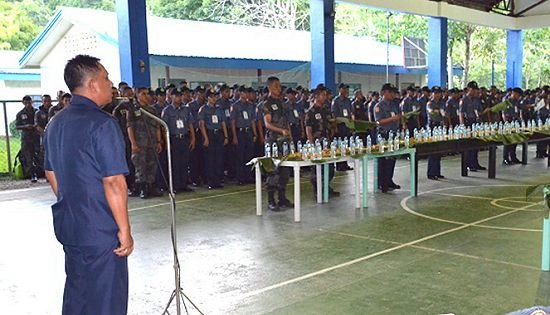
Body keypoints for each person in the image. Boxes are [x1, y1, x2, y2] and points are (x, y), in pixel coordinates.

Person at [43, 54, 133, 315]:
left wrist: (75, 202)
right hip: (101, 231)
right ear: (92, 84)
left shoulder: (55, 123)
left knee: (79, 296)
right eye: (106, 78)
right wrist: (124, 230)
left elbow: (51, 172)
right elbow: (114, 181)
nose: (111, 84)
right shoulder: (103, 124)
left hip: (71, 226)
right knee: (106, 301)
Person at [263, 76, 293, 211]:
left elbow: (286, 122)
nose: (279, 89)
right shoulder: (266, 104)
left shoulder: (283, 103)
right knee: (272, 171)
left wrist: (289, 135)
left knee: (285, 171)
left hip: (284, 142)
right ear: (269, 87)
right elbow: (267, 124)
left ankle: (282, 198)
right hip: (273, 141)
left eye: (279, 86)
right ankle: (271, 200)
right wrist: (281, 131)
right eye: (276, 86)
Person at [127, 87, 163, 199]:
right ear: (137, 95)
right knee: (140, 166)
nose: (147, 96)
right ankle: (142, 188)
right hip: (139, 143)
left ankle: (150, 186)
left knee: (152, 165)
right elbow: (130, 127)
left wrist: (158, 141)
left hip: (151, 143)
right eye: (143, 94)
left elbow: (157, 126)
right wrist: (133, 143)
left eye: (148, 94)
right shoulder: (133, 109)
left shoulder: (152, 110)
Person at [306, 86, 340, 198]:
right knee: (317, 169)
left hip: (327, 142)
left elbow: (331, 123)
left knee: (330, 168)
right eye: (323, 95)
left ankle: (326, 187)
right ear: (316, 96)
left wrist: (334, 126)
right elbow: (308, 129)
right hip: (316, 143)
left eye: (326, 95)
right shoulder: (311, 112)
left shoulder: (326, 110)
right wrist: (311, 145)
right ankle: (318, 190)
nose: (325, 97)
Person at [161, 88, 196, 193]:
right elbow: (163, 127)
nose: (179, 98)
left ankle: (183, 184)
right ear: (171, 97)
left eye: (180, 96)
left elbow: (190, 124)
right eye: (176, 96)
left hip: (184, 137)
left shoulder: (185, 110)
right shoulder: (167, 111)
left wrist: (193, 138)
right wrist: (166, 142)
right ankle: (175, 186)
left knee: (184, 162)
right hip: (173, 138)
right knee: (174, 163)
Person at [374, 83, 402, 193]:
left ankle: (389, 180)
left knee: (392, 159)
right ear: (384, 93)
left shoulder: (393, 105)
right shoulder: (379, 106)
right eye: (390, 92)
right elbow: (379, 122)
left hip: (393, 134)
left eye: (393, 92)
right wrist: (393, 118)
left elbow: (397, 116)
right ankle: (382, 183)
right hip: (384, 135)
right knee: (383, 160)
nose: (393, 94)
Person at [198, 88, 228, 189]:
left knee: (219, 158)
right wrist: (205, 138)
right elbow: (201, 124)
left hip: (218, 134)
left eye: (215, 96)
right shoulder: (203, 109)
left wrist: (225, 136)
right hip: (209, 134)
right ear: (208, 98)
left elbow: (223, 122)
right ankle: (210, 181)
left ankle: (218, 180)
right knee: (210, 159)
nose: (215, 98)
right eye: (212, 96)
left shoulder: (219, 109)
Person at [230, 86, 257, 185]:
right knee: (240, 156)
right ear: (240, 93)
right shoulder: (235, 106)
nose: (247, 95)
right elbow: (233, 121)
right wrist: (234, 136)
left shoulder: (251, 105)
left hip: (248, 132)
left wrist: (255, 133)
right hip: (240, 132)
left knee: (249, 155)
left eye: (247, 93)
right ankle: (240, 178)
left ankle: (248, 176)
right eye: (245, 93)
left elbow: (252, 121)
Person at [460, 81, 486, 172]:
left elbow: (480, 111)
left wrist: (483, 113)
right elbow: (461, 113)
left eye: (476, 90)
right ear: (469, 89)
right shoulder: (464, 99)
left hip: (475, 122)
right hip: (467, 123)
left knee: (475, 144)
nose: (475, 92)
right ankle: (468, 164)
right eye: (473, 90)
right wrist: (462, 126)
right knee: (468, 145)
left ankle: (475, 163)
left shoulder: (476, 99)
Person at [15, 95, 39, 182]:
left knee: (38, 154)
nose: (28, 104)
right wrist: (25, 126)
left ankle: (40, 172)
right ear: (23, 103)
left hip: (36, 136)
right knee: (28, 156)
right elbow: (17, 126)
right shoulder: (20, 114)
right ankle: (32, 174)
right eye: (26, 103)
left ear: (32, 102)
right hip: (26, 137)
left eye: (29, 102)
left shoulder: (36, 112)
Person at [332, 83, 353, 171]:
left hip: (347, 125)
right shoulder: (336, 101)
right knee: (340, 146)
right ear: (340, 90)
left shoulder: (348, 101)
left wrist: (352, 126)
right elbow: (333, 114)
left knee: (346, 145)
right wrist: (335, 127)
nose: (346, 91)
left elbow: (350, 113)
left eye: (347, 89)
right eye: (344, 89)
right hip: (339, 125)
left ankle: (345, 163)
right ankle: (339, 164)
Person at [426, 86, 446, 180]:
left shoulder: (442, 103)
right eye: (436, 93)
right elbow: (432, 112)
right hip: (432, 126)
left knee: (439, 150)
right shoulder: (430, 103)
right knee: (433, 149)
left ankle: (437, 172)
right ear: (432, 94)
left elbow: (444, 114)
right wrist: (438, 112)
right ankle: (431, 172)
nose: (438, 95)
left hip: (440, 125)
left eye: (439, 93)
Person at [502, 87, 523, 165]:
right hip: (509, 121)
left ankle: (513, 157)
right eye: (518, 95)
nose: (519, 97)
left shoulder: (516, 102)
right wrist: (506, 123)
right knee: (508, 141)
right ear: (514, 93)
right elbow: (503, 113)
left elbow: (519, 109)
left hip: (515, 122)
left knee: (515, 141)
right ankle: (505, 158)